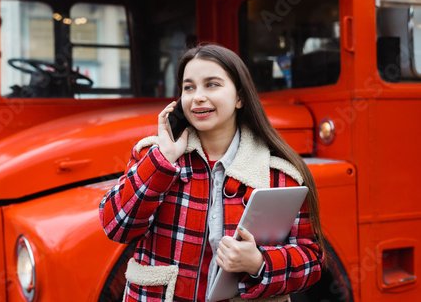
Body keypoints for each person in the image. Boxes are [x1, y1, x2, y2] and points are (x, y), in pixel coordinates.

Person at [99, 44, 325, 302]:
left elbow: (311, 261)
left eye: (212, 85)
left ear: (240, 97)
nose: (198, 97)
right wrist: (164, 159)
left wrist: (259, 262)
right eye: (189, 87)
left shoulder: (279, 175)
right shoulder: (154, 155)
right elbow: (116, 226)